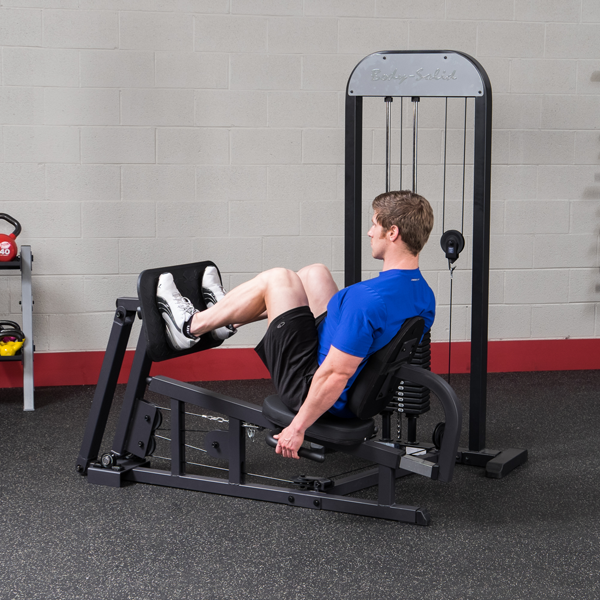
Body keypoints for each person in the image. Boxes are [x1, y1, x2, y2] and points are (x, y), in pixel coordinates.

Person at [157, 190, 435, 460]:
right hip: (347, 381)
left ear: (393, 233)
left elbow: (335, 375)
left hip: (309, 386)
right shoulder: (423, 295)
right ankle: (224, 317)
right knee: (315, 273)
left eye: (374, 224)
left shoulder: (367, 299)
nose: (369, 232)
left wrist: (298, 427)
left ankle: (190, 326)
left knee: (278, 278)